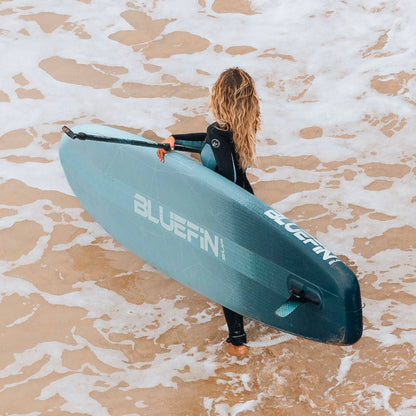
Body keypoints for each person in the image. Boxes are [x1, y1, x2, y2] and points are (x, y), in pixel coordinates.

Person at [157, 67, 261, 355]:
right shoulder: (238, 129)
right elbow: (210, 144)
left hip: (230, 212)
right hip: (249, 204)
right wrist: (175, 140)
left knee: (226, 275)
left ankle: (237, 343)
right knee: (243, 266)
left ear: (219, 98)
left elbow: (223, 172)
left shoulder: (218, 133)